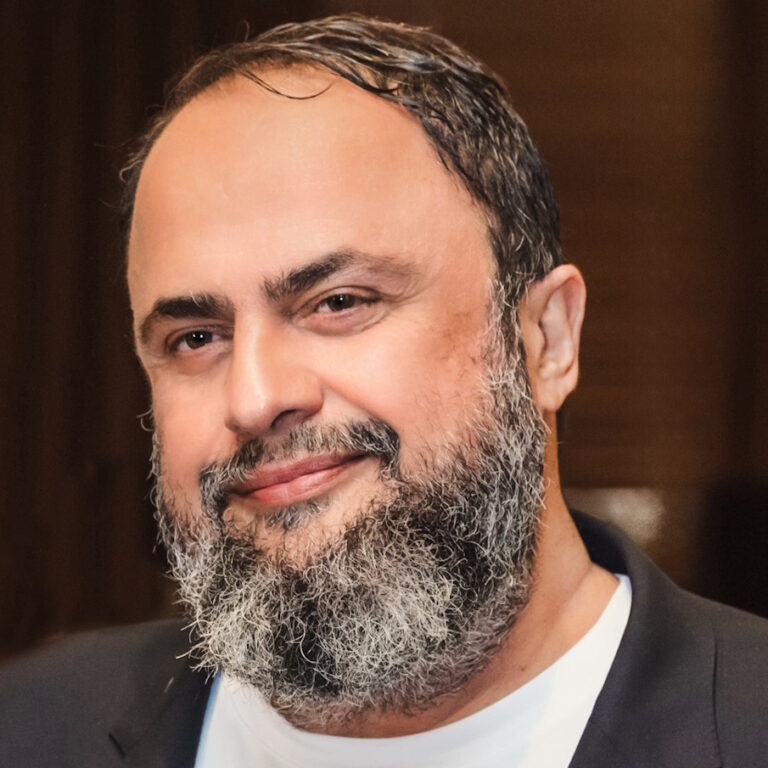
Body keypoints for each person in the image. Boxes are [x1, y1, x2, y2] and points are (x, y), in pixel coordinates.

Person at [1, 14, 766, 768]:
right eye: (196, 338)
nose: (255, 398)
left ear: (546, 340)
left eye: (339, 302)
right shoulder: (29, 728)